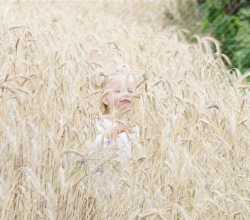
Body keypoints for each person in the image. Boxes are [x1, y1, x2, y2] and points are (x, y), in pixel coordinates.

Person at [91, 66, 139, 168]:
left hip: (123, 180)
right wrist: (112, 133)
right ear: (105, 99)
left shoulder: (133, 127)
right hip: (103, 179)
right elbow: (92, 152)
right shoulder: (99, 124)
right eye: (119, 91)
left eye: (130, 91)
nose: (125, 94)